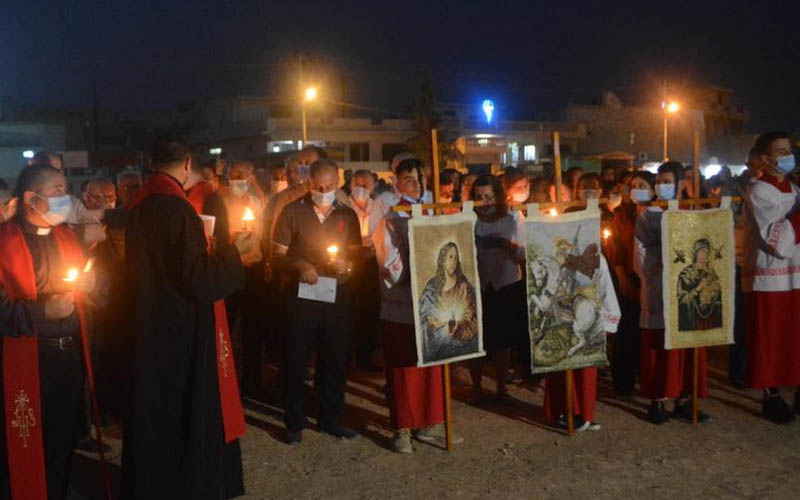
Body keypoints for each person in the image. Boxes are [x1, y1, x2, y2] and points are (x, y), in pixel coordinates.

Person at [121, 138, 250, 499]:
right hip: (179, 326)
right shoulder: (177, 209)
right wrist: (233, 254)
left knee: (154, 408)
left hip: (146, 320)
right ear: (188, 163)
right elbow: (199, 280)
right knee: (183, 408)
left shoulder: (139, 203)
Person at [0, 164, 107, 500]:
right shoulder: (3, 243)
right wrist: (44, 311)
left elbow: (99, 292)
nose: (66, 198)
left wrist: (93, 284)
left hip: (67, 358)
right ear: (31, 199)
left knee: (61, 444)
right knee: (20, 445)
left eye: (66, 189)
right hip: (28, 359)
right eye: (57, 191)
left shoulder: (67, 237)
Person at [373, 158, 462, 453]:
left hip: (434, 302)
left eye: (421, 178)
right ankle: (402, 428)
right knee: (403, 366)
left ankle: (430, 422)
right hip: (402, 302)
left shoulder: (435, 209)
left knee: (432, 365)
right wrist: (416, 269)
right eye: (409, 179)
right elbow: (387, 255)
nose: (417, 184)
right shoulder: (388, 212)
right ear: (397, 182)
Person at [272, 158, 361, 445]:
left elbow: (356, 254)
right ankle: (295, 420)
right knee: (296, 358)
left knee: (334, 358)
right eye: (318, 187)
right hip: (301, 297)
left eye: (329, 186)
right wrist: (299, 264)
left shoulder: (347, 215)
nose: (323, 192)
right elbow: (276, 256)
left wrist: (347, 264)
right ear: (309, 183)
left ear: (339, 182)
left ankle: (330, 418)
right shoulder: (292, 211)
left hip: (336, 295)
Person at [634, 161, 710, 425]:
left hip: (689, 290)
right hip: (660, 286)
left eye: (667, 182)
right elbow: (641, 254)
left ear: (681, 184)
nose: (661, 186)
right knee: (659, 345)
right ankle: (657, 399)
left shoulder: (694, 212)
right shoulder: (648, 215)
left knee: (688, 344)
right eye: (658, 182)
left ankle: (685, 398)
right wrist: (664, 265)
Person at [744, 131, 800, 423]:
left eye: (789, 150)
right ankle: (771, 395)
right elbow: (776, 241)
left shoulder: (795, 189)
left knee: (795, 336)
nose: (788, 156)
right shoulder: (759, 191)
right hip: (772, 276)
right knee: (771, 338)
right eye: (781, 151)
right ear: (765, 159)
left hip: (798, 274)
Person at [469, 175, 526, 403]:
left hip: (506, 283)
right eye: (478, 196)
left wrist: (510, 247)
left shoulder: (513, 217)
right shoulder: (470, 218)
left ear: (498, 195)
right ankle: (476, 387)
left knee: (503, 340)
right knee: (477, 338)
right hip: (478, 283)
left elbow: (526, 250)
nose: (483, 201)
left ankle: (501, 388)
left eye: (488, 196)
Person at [223, 161, 267, 397]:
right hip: (231, 269)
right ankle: (224, 382)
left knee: (254, 327)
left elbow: (262, 234)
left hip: (254, 270)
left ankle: (252, 382)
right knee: (227, 327)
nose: (237, 178)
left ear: (251, 178)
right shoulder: (221, 203)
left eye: (242, 174)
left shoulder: (257, 202)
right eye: (233, 173)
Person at [607, 171, 652, 395]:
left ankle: (648, 378)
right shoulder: (622, 215)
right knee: (626, 331)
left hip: (653, 281)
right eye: (634, 186)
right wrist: (623, 277)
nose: (637, 190)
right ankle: (624, 382)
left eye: (643, 186)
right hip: (628, 278)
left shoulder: (659, 216)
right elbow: (616, 248)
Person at [346, 170, 382, 371]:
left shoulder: (379, 207)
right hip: (349, 264)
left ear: (373, 186)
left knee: (369, 312)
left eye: (365, 185)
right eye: (356, 184)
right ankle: (344, 357)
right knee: (348, 311)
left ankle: (365, 357)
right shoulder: (343, 207)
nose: (360, 188)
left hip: (371, 265)